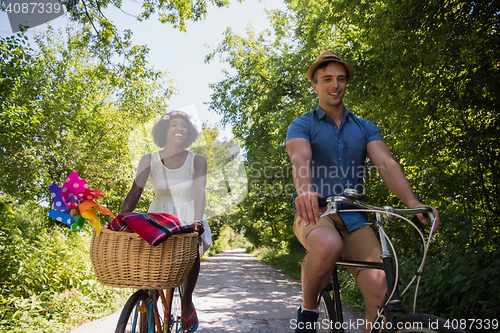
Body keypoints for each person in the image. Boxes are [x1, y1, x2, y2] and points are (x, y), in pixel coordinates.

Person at [285, 51, 440, 333]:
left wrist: (413, 202)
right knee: (327, 244)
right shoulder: (302, 124)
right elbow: (300, 158)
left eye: (341, 79)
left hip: (355, 217)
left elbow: (386, 163)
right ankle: (308, 312)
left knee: (382, 292)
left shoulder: (365, 127)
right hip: (315, 212)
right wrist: (305, 190)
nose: (335, 85)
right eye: (327, 79)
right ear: (315, 85)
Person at [121, 110, 211, 333]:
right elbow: (135, 192)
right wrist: (121, 217)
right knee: (147, 259)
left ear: (188, 132)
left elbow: (199, 190)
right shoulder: (148, 160)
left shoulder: (198, 161)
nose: (179, 128)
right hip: (158, 213)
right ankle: (147, 305)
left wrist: (197, 220)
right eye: (174, 125)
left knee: (190, 250)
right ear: (165, 130)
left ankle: (187, 300)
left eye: (183, 126)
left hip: (188, 212)